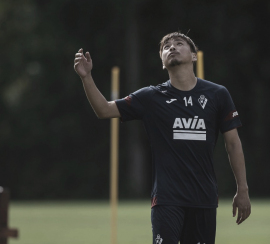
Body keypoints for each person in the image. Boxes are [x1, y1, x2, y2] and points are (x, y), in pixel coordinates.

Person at [74, 32, 251, 244]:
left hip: (203, 199)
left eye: (179, 43)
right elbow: (104, 110)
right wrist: (87, 77)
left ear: (194, 56)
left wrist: (242, 189)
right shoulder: (151, 97)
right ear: (162, 62)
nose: (172, 47)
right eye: (166, 47)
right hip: (167, 200)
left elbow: (232, 143)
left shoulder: (218, 94)